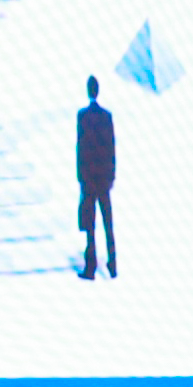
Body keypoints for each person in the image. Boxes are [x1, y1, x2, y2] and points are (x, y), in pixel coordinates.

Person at [75, 75, 117, 281]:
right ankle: (113, 263)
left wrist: (80, 176)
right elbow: (111, 148)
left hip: (89, 178)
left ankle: (90, 267)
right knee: (108, 222)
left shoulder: (82, 116)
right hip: (103, 178)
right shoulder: (107, 117)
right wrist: (111, 175)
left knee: (91, 224)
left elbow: (81, 148)